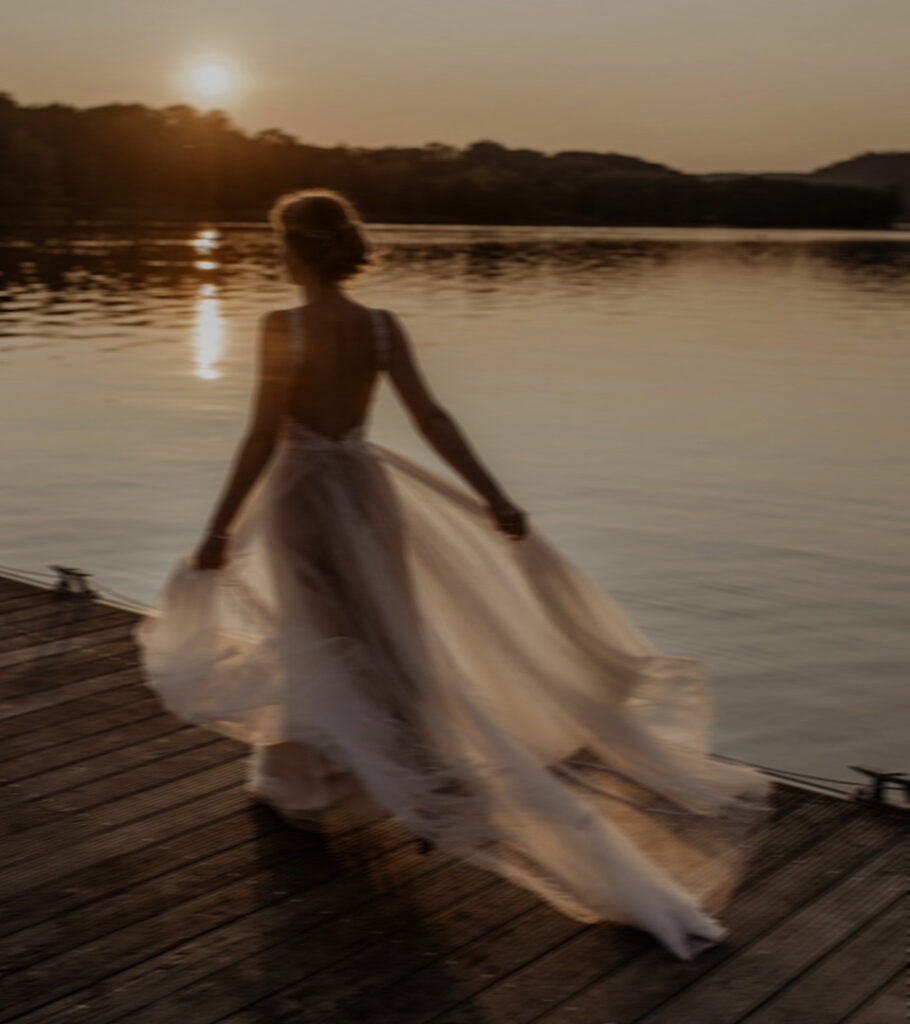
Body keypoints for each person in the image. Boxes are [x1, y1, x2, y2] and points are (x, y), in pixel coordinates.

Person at [134, 188, 774, 962]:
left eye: (279, 244)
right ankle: (324, 778)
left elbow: (263, 435)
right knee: (378, 636)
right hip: (368, 495)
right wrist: (494, 496)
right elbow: (434, 418)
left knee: (316, 635)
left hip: (304, 499)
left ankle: (342, 783)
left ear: (292, 252)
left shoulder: (284, 329)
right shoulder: (378, 328)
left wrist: (219, 529)